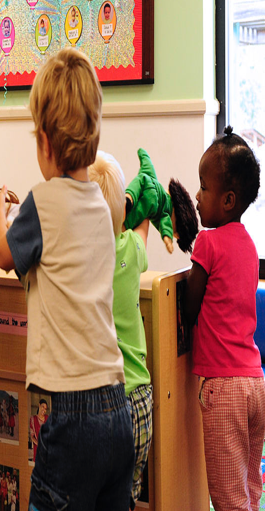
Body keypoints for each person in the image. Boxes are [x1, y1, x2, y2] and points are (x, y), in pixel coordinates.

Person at [0, 47, 134, 511]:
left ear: (45, 143)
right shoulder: (104, 208)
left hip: (71, 419)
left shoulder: (42, 201)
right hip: (116, 407)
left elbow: (6, 257)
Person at [183, 126, 264, 511]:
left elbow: (190, 303)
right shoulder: (249, 245)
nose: (197, 197)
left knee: (228, 498)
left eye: (204, 187)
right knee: (249, 488)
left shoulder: (208, 242)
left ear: (228, 200)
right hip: (255, 381)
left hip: (224, 389)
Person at [88, 152, 152, 510]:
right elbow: (141, 228)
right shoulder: (131, 247)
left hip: (102, 404)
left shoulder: (82, 257)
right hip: (140, 401)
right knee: (126, 494)